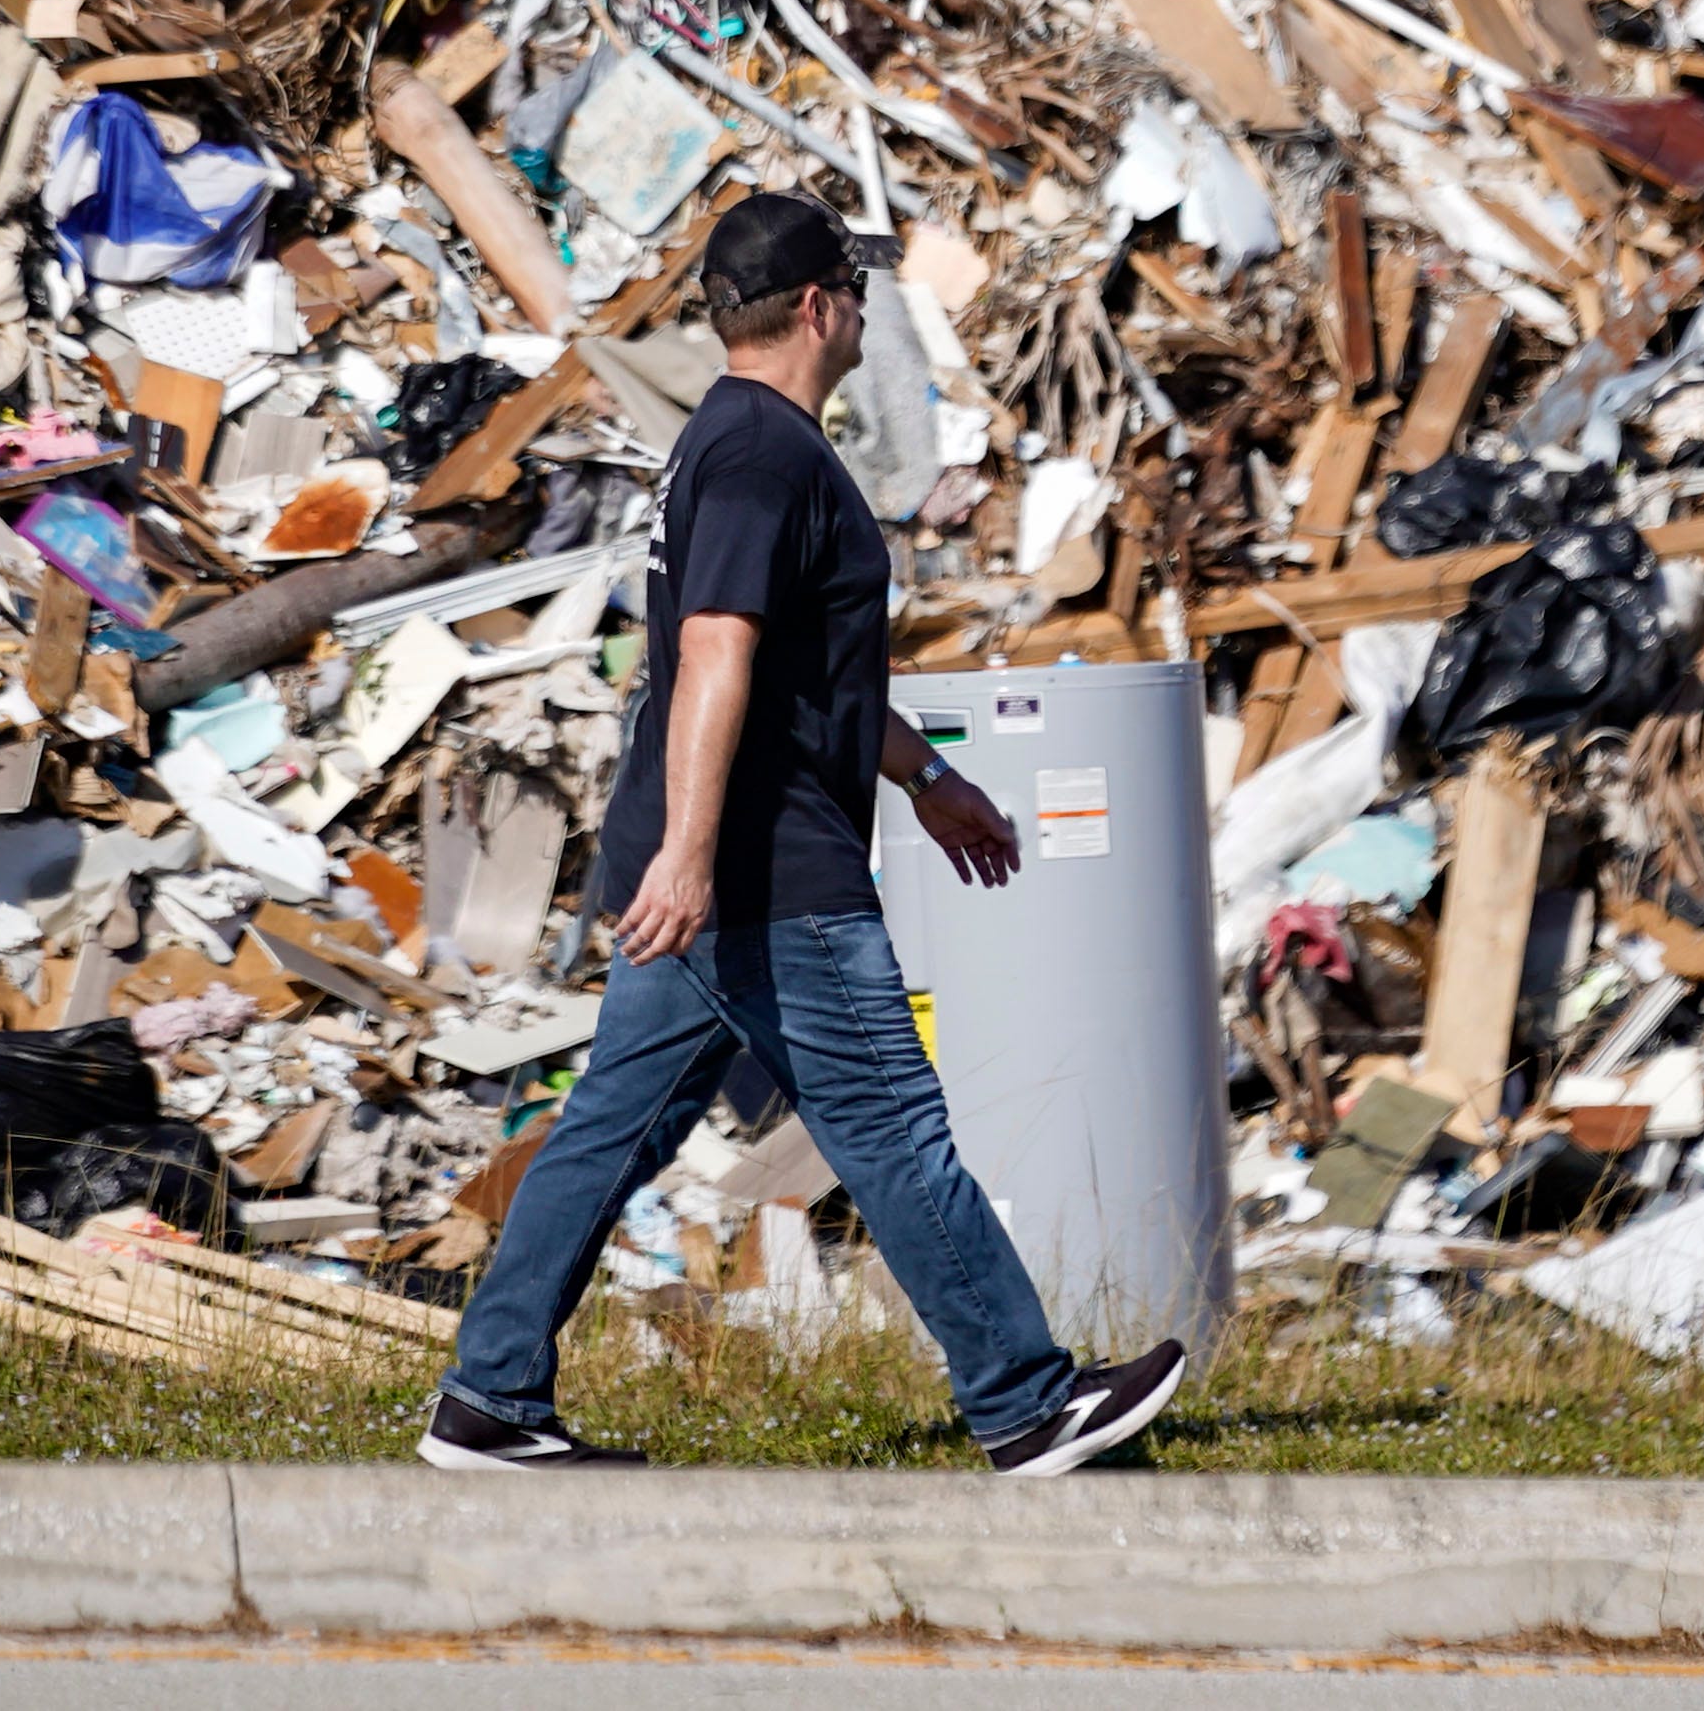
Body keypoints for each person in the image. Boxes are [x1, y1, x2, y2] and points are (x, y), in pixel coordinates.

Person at [419, 187, 1191, 1475]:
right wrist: (695, 852)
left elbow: (793, 673)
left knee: (613, 1125)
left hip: (717, 858)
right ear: (825, 307)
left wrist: (923, 779)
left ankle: (488, 1399)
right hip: (764, 867)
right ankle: (1023, 1401)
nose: (872, 311)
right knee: (891, 1124)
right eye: (863, 291)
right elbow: (718, 652)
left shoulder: (727, 444)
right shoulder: (767, 453)